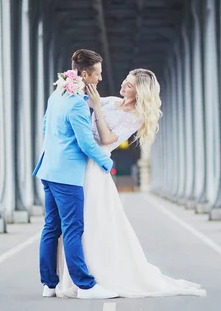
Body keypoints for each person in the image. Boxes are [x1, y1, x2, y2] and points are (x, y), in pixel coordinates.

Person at [55, 68, 207, 298]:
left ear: (140, 92)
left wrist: (96, 107)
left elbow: (107, 139)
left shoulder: (135, 116)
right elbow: (80, 104)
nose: (124, 85)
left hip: (96, 168)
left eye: (130, 84)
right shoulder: (111, 101)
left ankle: (94, 275)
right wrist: (72, 86)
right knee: (75, 218)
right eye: (125, 81)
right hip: (80, 160)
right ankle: (76, 275)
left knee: (93, 218)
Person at [34, 49, 119, 300]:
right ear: (84, 74)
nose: (100, 79)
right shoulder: (77, 105)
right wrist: (107, 162)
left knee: (51, 228)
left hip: (48, 169)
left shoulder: (57, 94)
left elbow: (45, 125)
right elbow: (87, 144)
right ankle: (85, 286)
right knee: (73, 229)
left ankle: (49, 284)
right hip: (67, 176)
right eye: (98, 74)